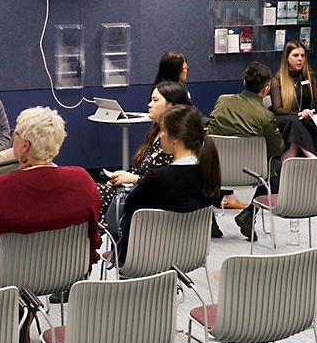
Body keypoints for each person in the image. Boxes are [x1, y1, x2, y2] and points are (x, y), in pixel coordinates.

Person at [0, 106, 101, 288]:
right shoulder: (83, 181)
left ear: (25, 145)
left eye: (16, 134)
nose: (13, 138)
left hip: (8, 280)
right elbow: (94, 235)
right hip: (70, 274)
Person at [117, 104, 221, 262]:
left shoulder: (157, 178)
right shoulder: (209, 173)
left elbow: (129, 206)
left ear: (176, 137)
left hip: (146, 256)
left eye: (163, 130)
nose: (161, 135)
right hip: (191, 255)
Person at [97, 81, 191, 229]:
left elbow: (168, 182)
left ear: (171, 106)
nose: (149, 104)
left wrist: (133, 179)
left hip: (147, 199)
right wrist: (123, 178)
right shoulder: (155, 132)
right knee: (92, 192)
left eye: (155, 100)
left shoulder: (176, 141)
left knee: (95, 195)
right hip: (136, 190)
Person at [208, 61, 286, 238]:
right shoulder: (265, 116)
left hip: (217, 173)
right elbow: (278, 148)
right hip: (251, 174)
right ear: (266, 89)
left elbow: (212, 134)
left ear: (244, 82)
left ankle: (208, 216)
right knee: (277, 169)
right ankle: (250, 213)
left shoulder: (222, 101)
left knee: (217, 160)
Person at [270, 40, 317, 157]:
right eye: (295, 55)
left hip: (305, 120)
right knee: (294, 123)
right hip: (284, 120)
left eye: (302, 56)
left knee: (297, 129)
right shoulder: (277, 79)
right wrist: (299, 114)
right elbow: (277, 109)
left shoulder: (310, 76)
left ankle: (289, 164)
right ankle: (313, 158)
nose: (300, 59)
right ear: (287, 58)